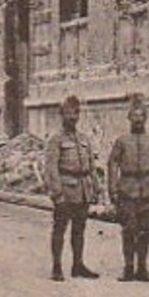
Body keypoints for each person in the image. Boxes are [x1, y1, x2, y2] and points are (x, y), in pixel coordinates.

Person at [108, 94, 149, 282]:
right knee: (128, 229)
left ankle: (142, 267)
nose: (138, 120)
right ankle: (128, 267)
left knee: (146, 230)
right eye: (134, 116)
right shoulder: (122, 141)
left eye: (141, 116)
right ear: (129, 118)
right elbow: (112, 164)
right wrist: (113, 189)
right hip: (128, 190)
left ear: (146, 119)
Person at [43, 94, 100, 281]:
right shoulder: (56, 139)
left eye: (75, 113)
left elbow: (91, 165)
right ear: (62, 115)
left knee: (79, 229)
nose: (72, 117)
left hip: (83, 190)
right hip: (66, 191)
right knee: (60, 229)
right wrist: (57, 193)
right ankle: (57, 267)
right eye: (68, 113)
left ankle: (78, 265)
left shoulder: (84, 138)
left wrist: (95, 187)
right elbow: (51, 168)